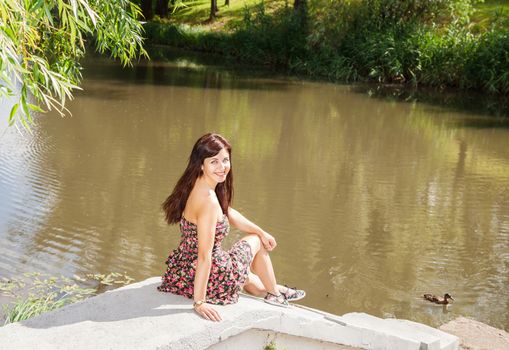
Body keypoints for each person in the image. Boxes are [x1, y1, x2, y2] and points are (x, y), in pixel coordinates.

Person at [157, 133, 305, 322]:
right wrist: (199, 302)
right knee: (255, 241)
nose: (222, 167)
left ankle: (276, 290)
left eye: (225, 160)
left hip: (184, 271)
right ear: (201, 164)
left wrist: (260, 229)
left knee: (250, 278)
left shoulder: (195, 184)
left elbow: (226, 212)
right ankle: (275, 293)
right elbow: (205, 256)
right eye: (214, 162)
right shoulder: (208, 201)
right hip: (212, 275)